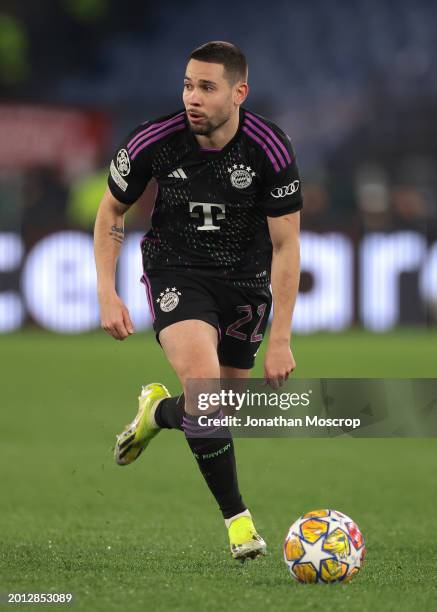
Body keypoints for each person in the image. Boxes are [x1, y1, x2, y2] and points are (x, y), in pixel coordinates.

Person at [94, 41, 302, 561]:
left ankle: (157, 412)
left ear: (239, 93)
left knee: (218, 406)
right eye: (188, 84)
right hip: (176, 270)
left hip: (245, 282)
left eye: (207, 87)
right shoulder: (155, 140)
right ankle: (239, 522)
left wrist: (280, 340)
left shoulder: (269, 148)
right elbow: (110, 213)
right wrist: (107, 292)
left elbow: (286, 245)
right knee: (206, 395)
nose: (192, 97)